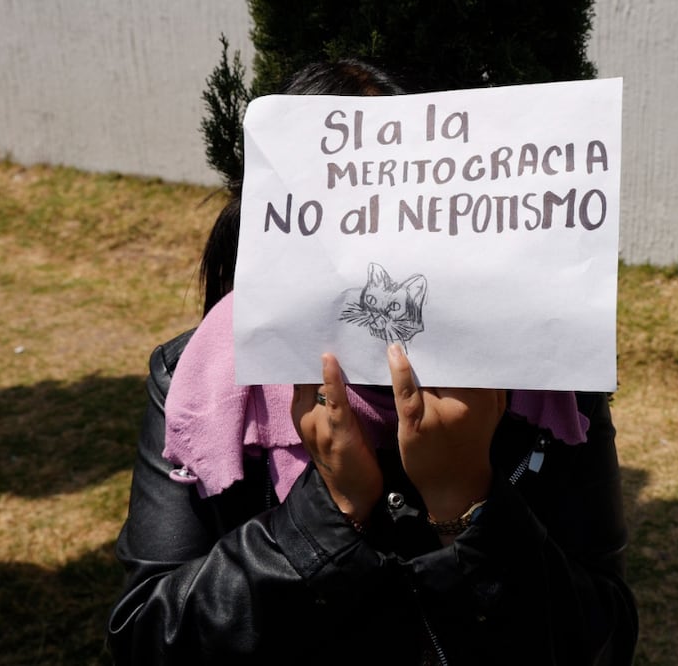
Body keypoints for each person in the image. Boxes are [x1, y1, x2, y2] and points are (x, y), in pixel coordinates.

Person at [106, 59, 638, 665]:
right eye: (347, 212)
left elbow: (604, 641)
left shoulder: (546, 383)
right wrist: (326, 511)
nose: (379, 235)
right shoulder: (197, 379)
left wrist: (466, 498)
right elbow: (149, 638)